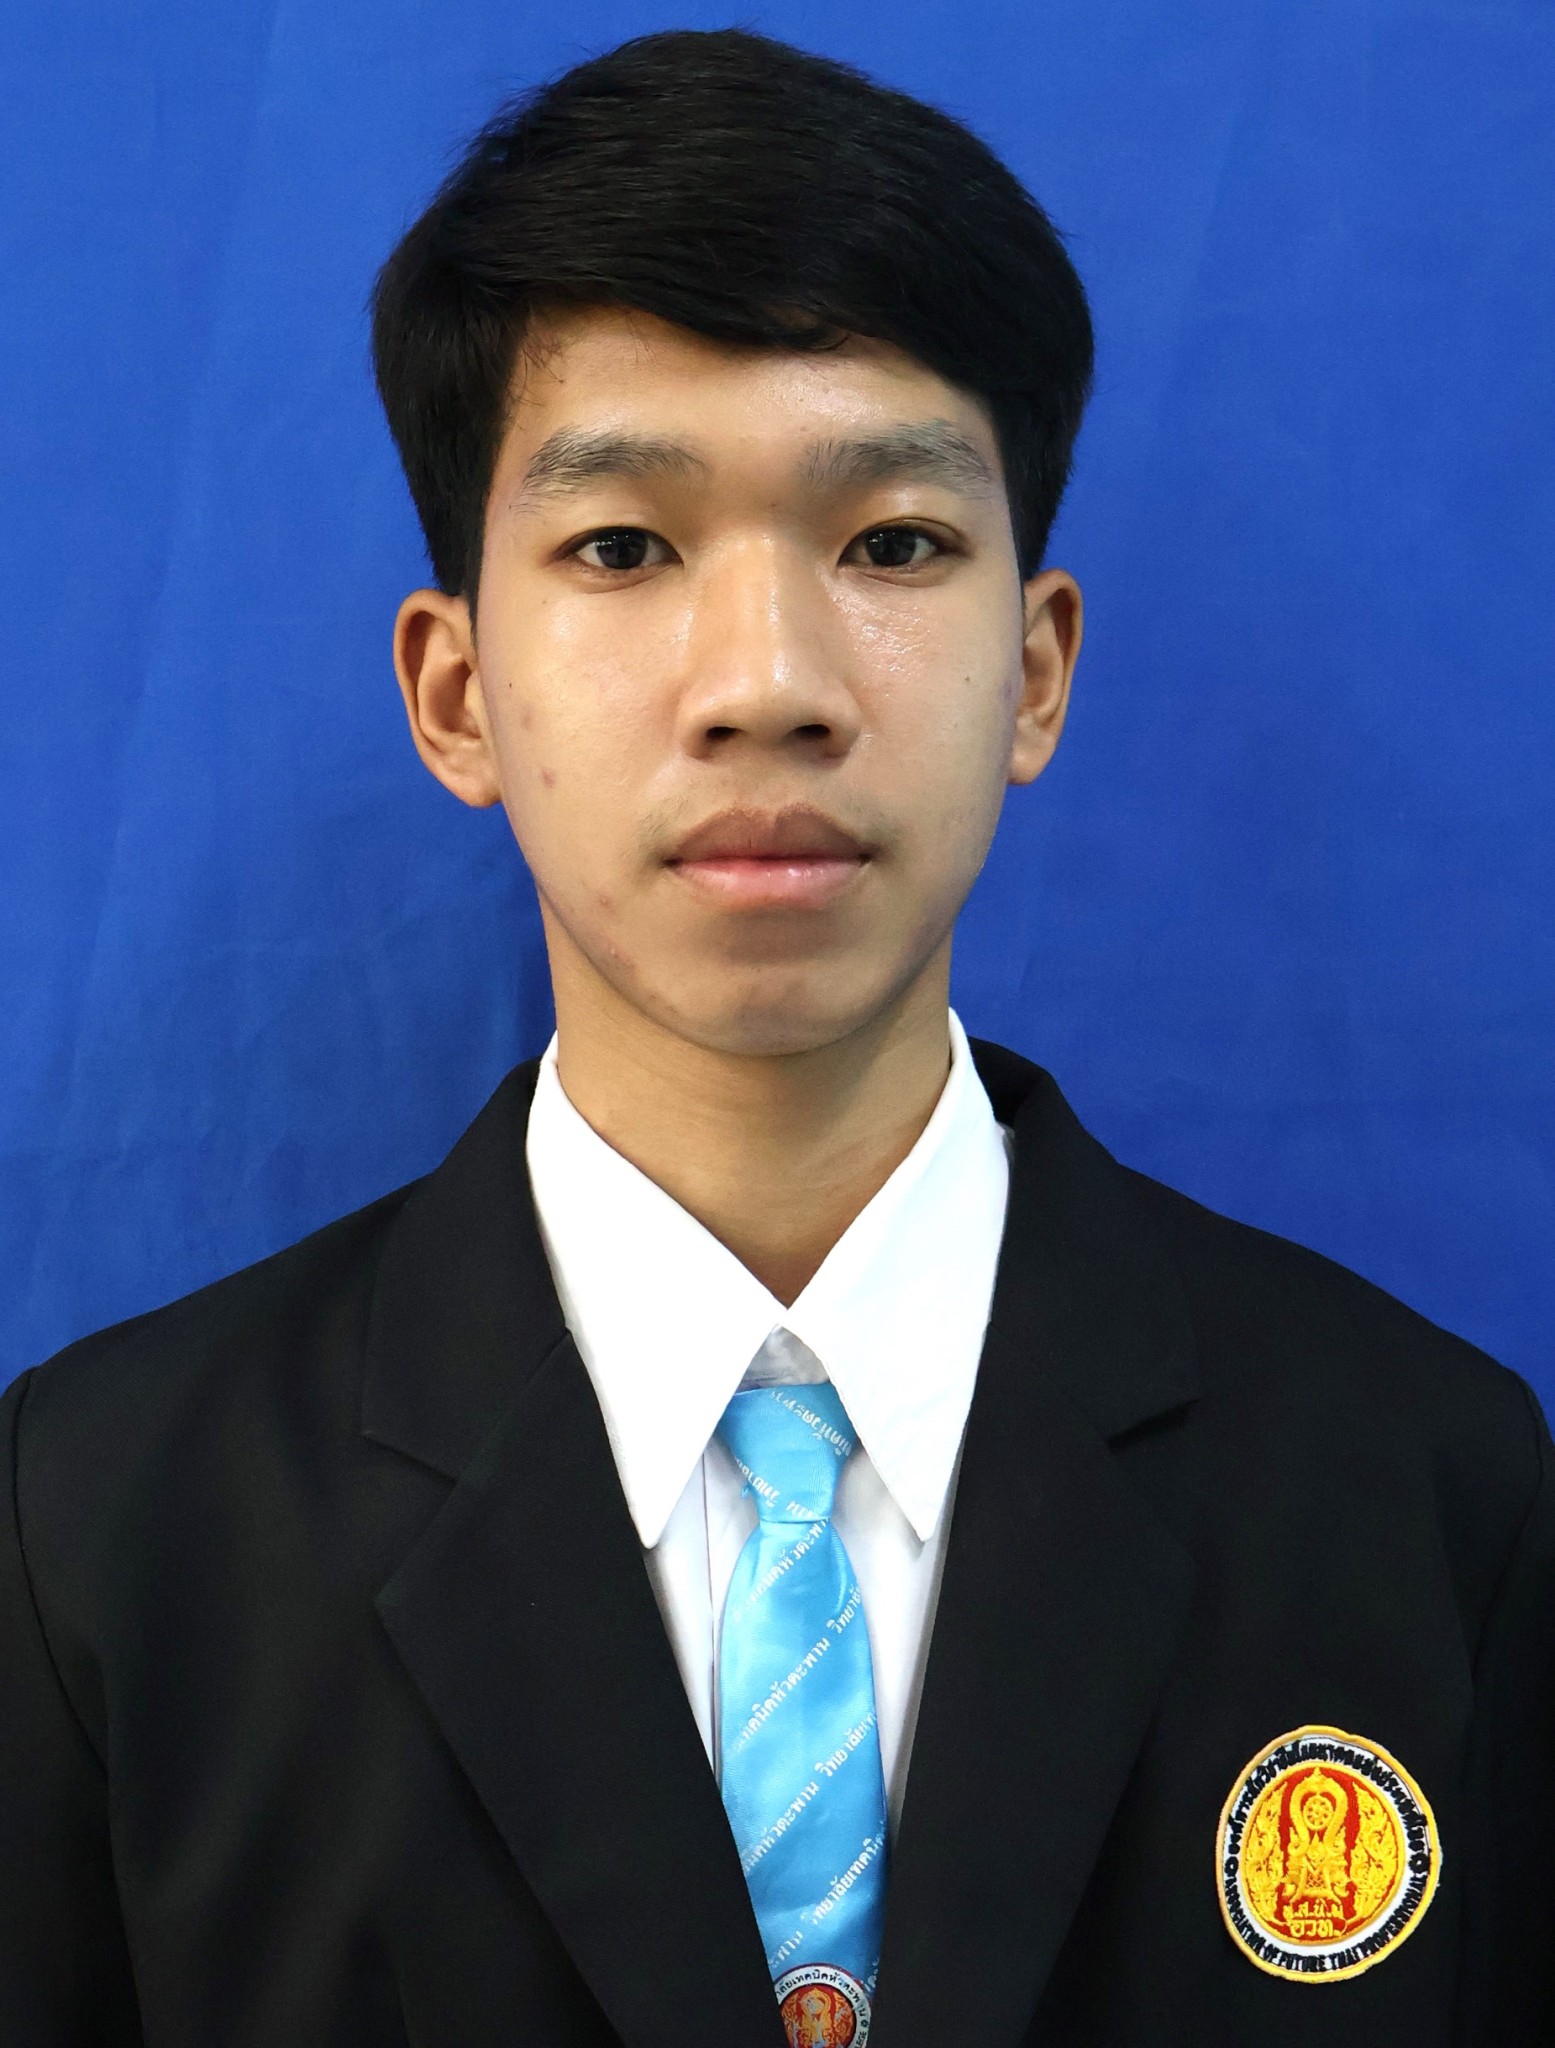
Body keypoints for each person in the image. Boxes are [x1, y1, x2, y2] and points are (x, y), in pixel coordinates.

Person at [2, 27, 1551, 2048]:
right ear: (457, 694)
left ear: (1036, 670)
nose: (768, 683)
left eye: (891, 541)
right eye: (623, 548)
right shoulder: (104, 1540)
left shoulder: (1423, 1492)